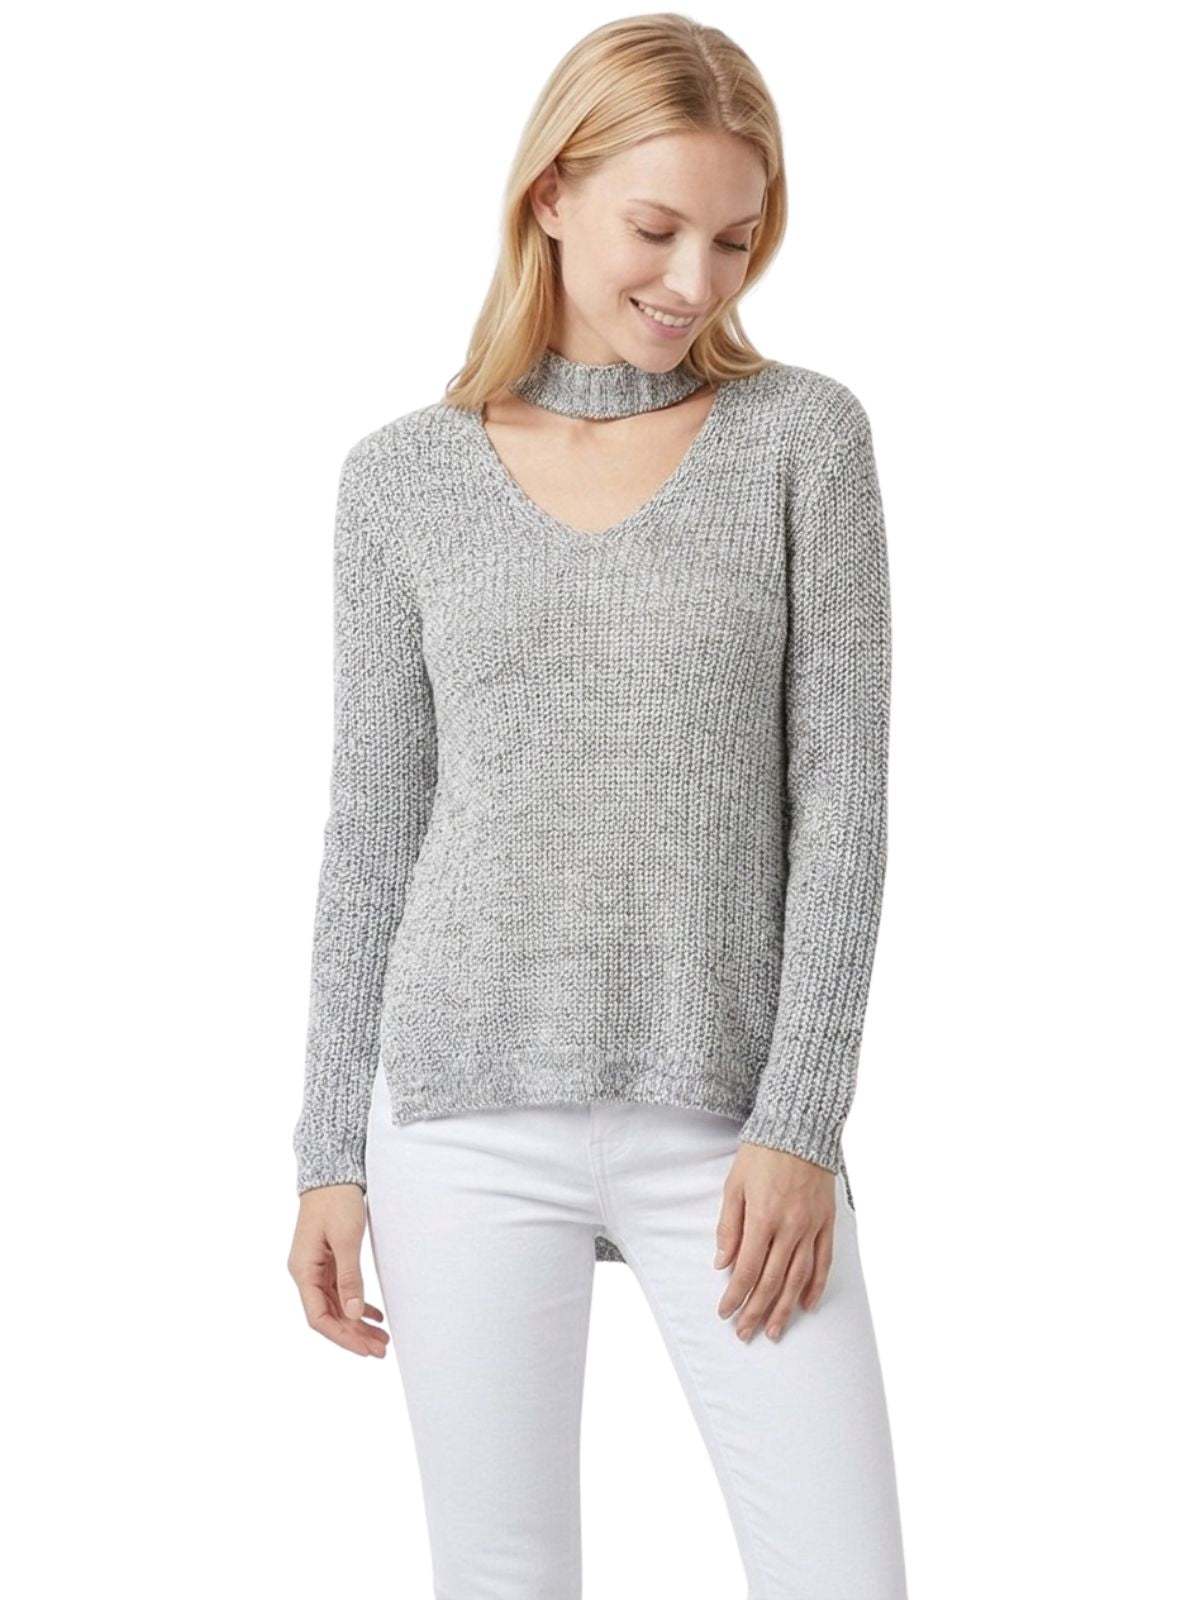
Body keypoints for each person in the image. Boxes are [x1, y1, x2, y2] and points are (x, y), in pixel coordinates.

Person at [287, 14, 908, 1597]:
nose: (696, 279)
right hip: (460, 1112)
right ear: (551, 195)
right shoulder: (400, 479)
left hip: (732, 1125)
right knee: (501, 1574)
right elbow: (373, 829)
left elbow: (844, 798)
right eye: (658, 227)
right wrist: (326, 1151)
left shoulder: (803, 442)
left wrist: (802, 1119)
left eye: (735, 239)